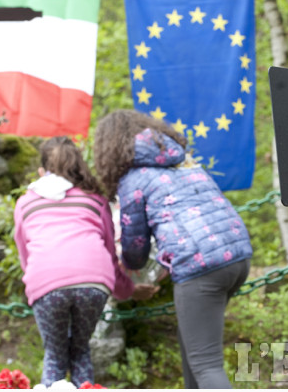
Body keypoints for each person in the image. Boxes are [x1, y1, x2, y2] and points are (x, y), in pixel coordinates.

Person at [93, 110, 253, 389]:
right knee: (193, 345)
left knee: (206, 363)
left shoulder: (134, 179)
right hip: (237, 256)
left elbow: (136, 247)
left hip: (201, 268)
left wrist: (129, 268)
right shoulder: (184, 163)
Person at [13, 136, 135, 387]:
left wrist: (37, 283)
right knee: (80, 351)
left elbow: (25, 254)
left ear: (41, 171)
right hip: (94, 283)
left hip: (46, 282)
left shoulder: (26, 202)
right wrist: (127, 290)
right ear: (80, 166)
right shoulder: (94, 199)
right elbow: (111, 255)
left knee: (56, 355)